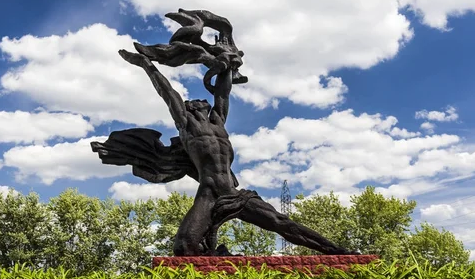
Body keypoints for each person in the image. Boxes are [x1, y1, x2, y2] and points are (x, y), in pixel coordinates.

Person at [118, 48, 355, 256]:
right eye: (196, 100)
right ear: (190, 107)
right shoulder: (187, 126)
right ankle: (213, 259)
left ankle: (339, 252)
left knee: (279, 222)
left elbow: (222, 93)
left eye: (203, 100)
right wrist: (147, 65)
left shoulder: (218, 124)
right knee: (183, 248)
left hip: (232, 194)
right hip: (209, 196)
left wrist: (227, 67)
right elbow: (168, 93)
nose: (202, 99)